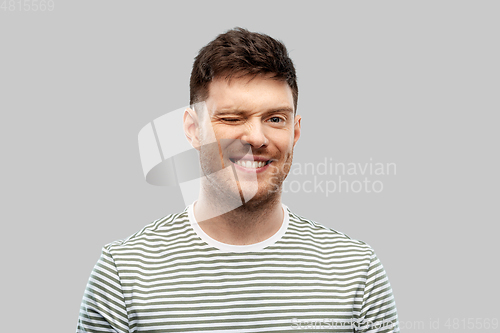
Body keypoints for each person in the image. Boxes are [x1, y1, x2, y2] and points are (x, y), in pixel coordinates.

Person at [77, 27, 400, 332]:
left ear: (295, 131)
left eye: (275, 119)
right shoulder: (123, 273)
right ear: (192, 129)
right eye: (232, 118)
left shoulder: (357, 272)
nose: (256, 138)